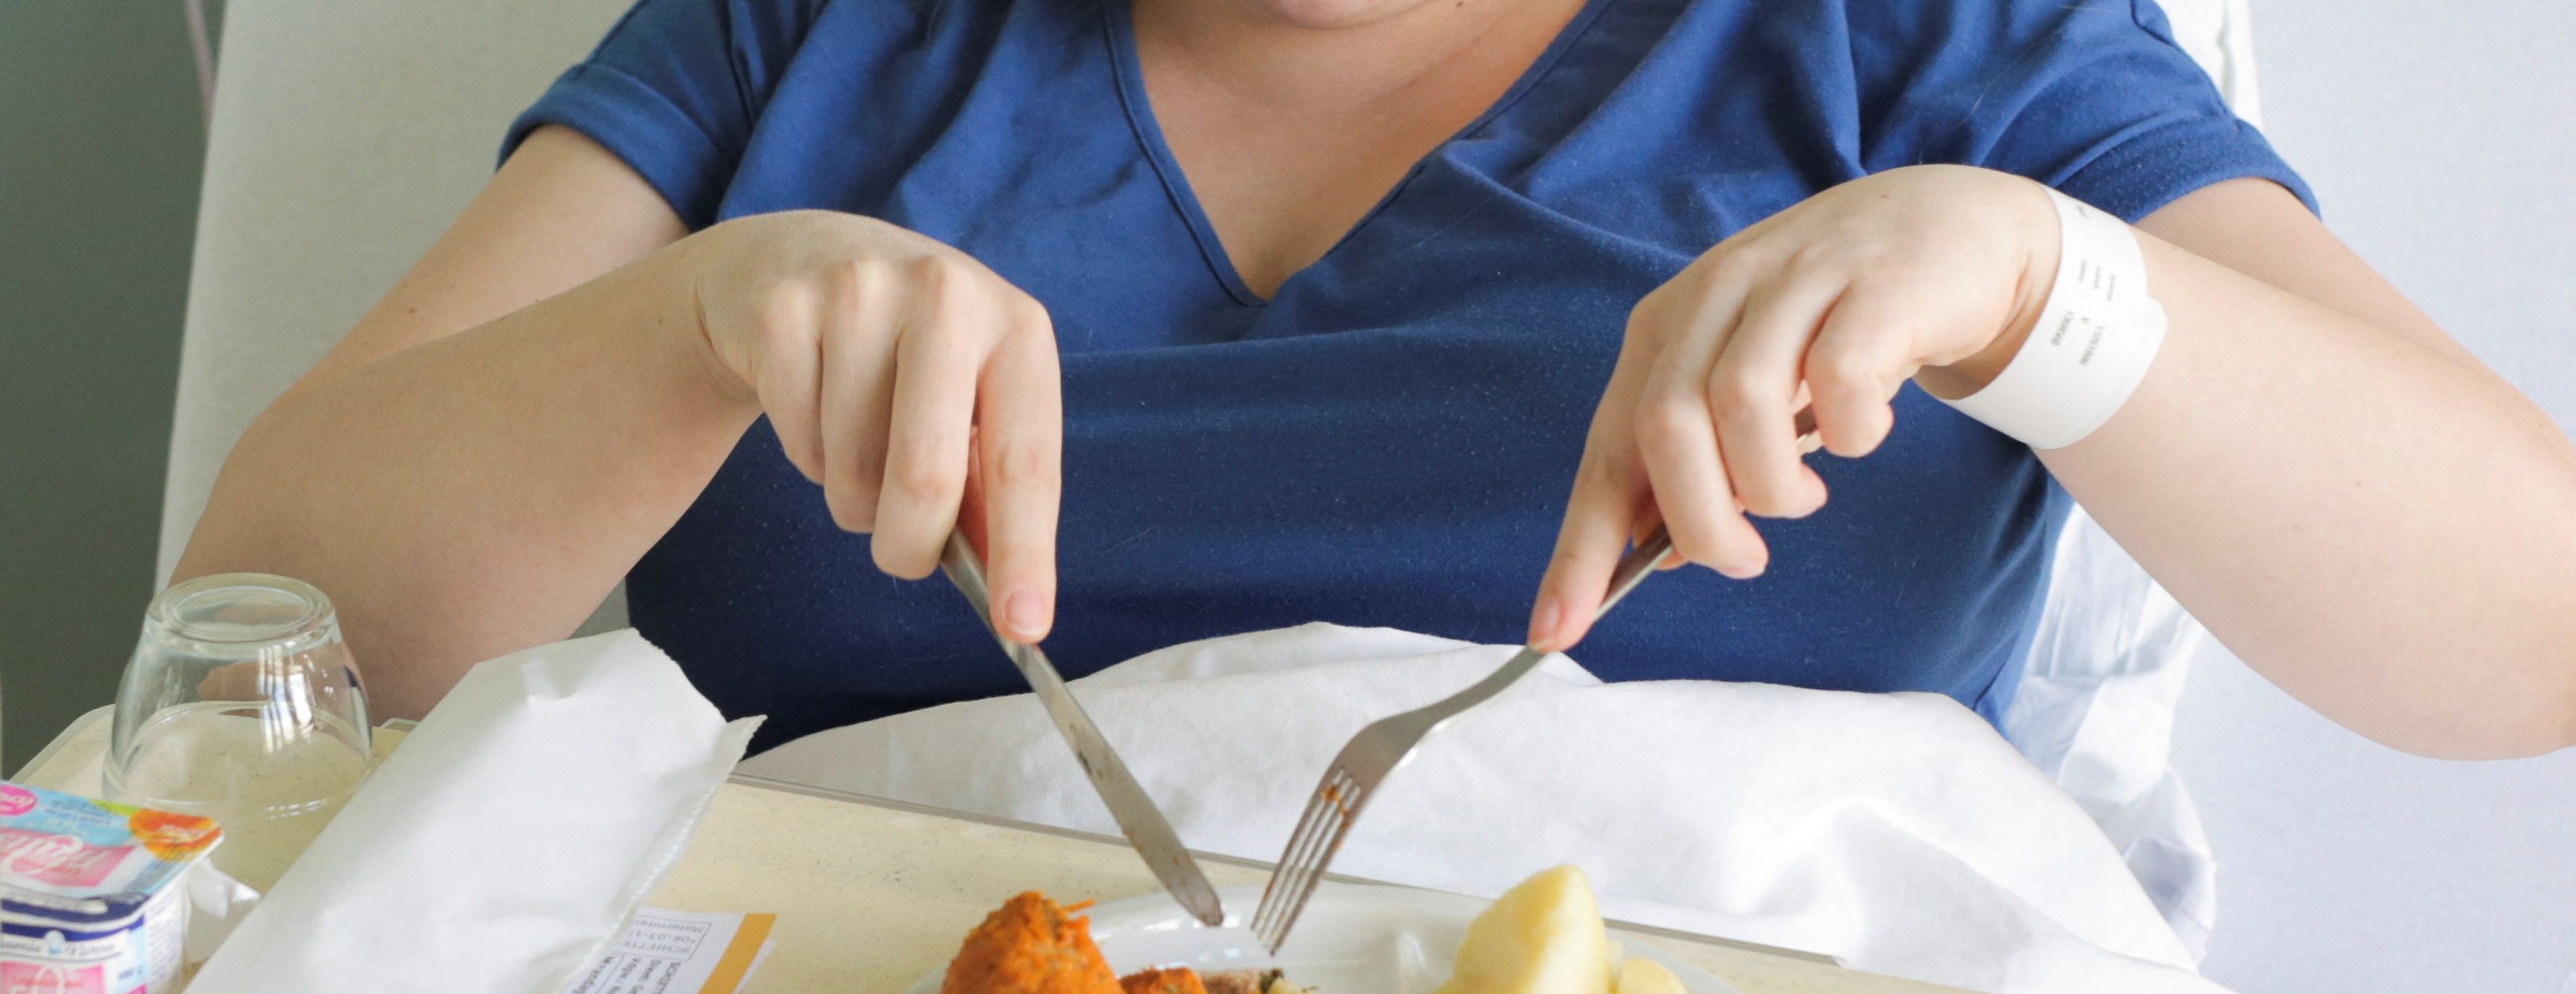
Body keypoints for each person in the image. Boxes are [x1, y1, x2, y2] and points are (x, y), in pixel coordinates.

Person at [175, 0, 2576, 760]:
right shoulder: (806, 36)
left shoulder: (1928, 37)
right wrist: (685, 326)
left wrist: (2041, 285)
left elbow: (2531, 627)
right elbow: (259, 646)